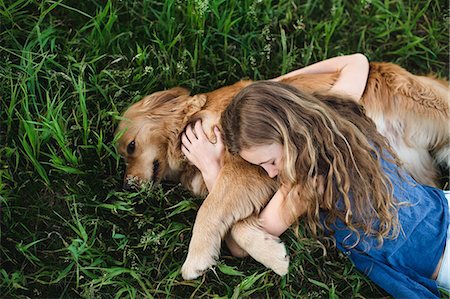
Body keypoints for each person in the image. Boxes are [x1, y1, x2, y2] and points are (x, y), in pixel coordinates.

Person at [180, 54, 450, 298]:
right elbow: (356, 62)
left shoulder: (303, 186)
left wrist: (210, 169)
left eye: (270, 161)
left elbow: (242, 245)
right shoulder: (335, 116)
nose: (271, 173)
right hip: (443, 207)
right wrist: (275, 87)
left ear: (285, 135)